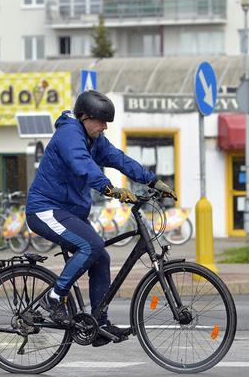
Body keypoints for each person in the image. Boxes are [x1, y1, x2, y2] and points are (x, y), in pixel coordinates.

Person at [26, 90, 175, 347]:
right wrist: (109, 188)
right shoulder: (69, 134)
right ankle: (53, 298)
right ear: (83, 117)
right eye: (101, 120)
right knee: (91, 246)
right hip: (45, 209)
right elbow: (82, 165)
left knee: (101, 256)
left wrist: (151, 179)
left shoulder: (95, 139)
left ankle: (99, 324)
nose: (104, 126)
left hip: (69, 212)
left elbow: (119, 159)